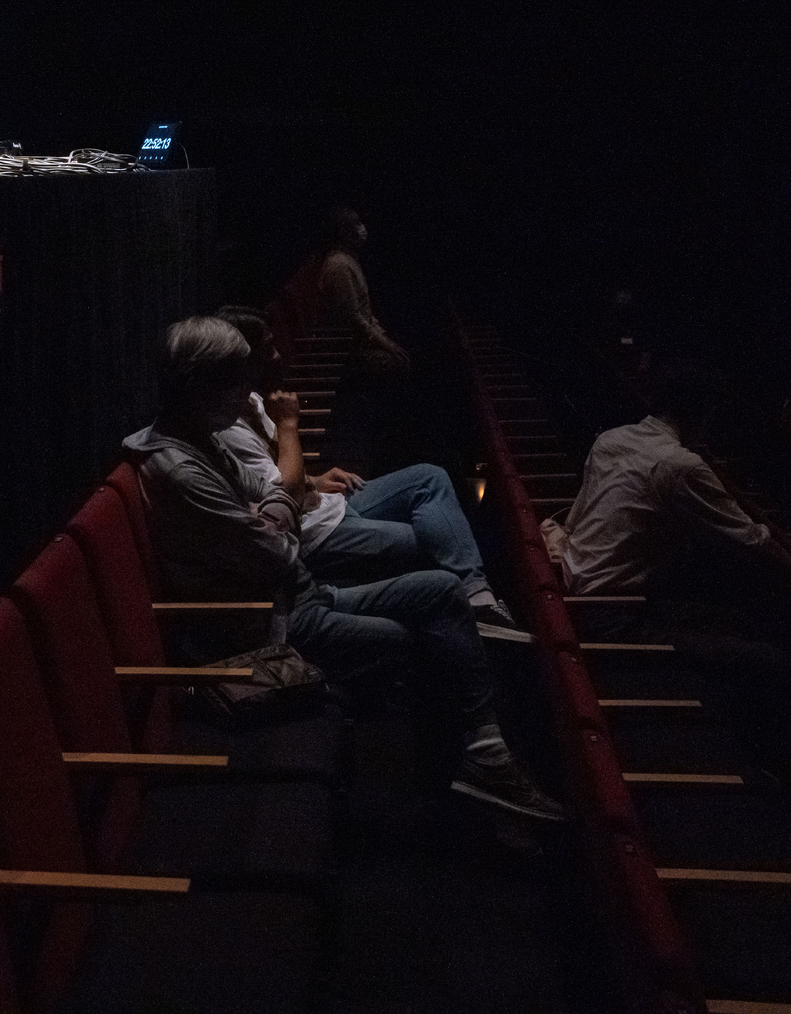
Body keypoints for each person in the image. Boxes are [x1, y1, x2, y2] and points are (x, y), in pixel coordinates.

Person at [122, 316, 565, 823]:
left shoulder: (204, 437)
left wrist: (279, 506)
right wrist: (280, 508)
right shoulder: (180, 470)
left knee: (443, 591)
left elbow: (277, 499)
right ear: (202, 385)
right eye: (237, 381)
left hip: (298, 593)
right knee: (415, 638)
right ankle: (447, 787)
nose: (248, 391)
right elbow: (278, 546)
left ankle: (484, 755)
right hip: (268, 625)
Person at [213, 306, 522, 637]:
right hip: (310, 533)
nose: (278, 355)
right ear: (245, 361)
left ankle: (478, 597)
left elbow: (275, 470)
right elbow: (284, 496)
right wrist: (289, 424)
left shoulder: (253, 401)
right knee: (424, 540)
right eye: (268, 348)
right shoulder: (227, 427)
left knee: (429, 478)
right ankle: (445, 629)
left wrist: (315, 479)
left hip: (322, 505)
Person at [556, 361, 778, 598]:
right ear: (700, 414)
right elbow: (749, 539)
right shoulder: (682, 464)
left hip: (571, 573)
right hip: (611, 602)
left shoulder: (610, 439)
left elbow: (574, 523)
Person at [317, 208, 407, 372]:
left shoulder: (349, 259)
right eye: (357, 223)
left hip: (361, 339)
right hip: (350, 346)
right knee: (397, 362)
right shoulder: (340, 266)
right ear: (343, 232)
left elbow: (364, 311)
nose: (362, 228)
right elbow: (353, 319)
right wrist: (384, 343)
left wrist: (382, 335)